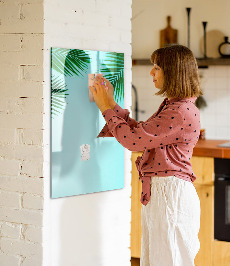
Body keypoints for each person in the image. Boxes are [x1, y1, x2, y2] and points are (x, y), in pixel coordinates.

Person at [89, 44, 202, 266]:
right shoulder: (175, 106)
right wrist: (111, 104)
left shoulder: (179, 111)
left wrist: (105, 108)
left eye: (157, 67)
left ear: (173, 71)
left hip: (170, 195)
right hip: (164, 193)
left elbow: (133, 141)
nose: (151, 72)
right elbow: (141, 133)